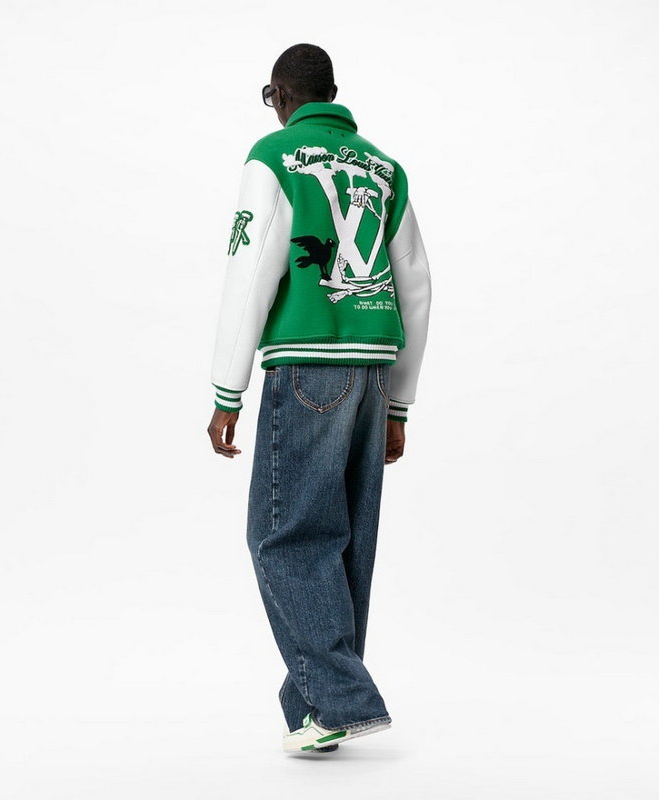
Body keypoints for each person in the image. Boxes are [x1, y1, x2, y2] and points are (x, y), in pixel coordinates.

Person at [207, 43, 432, 753]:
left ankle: (342, 700)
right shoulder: (384, 168)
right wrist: (398, 403)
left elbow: (250, 270)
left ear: (279, 95)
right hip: (372, 370)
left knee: (283, 536)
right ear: (332, 93)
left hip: (307, 366)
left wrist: (227, 390)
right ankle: (314, 710)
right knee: (342, 541)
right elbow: (416, 287)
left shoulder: (273, 156)